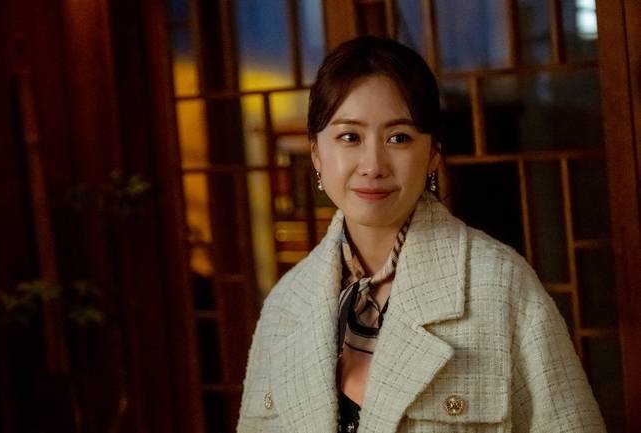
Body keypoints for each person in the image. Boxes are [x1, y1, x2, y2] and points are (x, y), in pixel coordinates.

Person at [237, 36, 606, 433]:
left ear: (432, 155)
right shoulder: (286, 305)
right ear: (315, 154)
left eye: (398, 137)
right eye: (350, 137)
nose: (373, 165)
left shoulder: (500, 284)